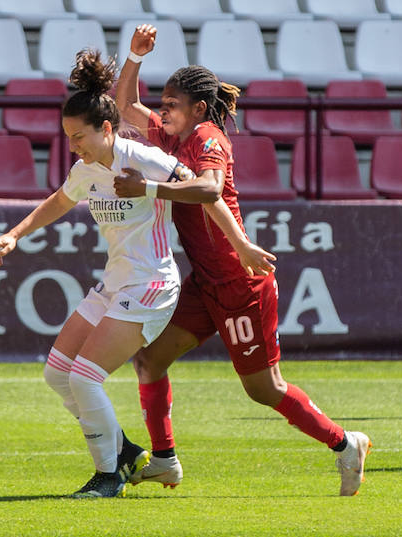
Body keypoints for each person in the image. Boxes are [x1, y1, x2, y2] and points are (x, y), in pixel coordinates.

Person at [113, 24, 371, 496]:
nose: (163, 109)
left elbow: (210, 188)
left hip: (238, 280)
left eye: (171, 104)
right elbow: (124, 104)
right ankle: (166, 459)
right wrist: (134, 55)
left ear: (198, 109)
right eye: (163, 102)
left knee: (263, 388)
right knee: (149, 361)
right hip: (205, 281)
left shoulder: (208, 137)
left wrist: (146, 187)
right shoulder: (170, 135)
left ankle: (345, 442)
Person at [0, 49, 198, 498]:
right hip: (118, 282)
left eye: (79, 136)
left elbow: (202, 187)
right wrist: (15, 234)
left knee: (85, 376)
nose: (73, 146)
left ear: (106, 128)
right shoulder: (86, 170)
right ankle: (124, 453)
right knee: (58, 374)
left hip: (152, 284)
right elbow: (61, 201)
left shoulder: (143, 159)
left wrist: (238, 244)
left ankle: (108, 477)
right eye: (67, 137)